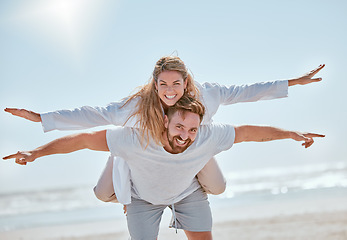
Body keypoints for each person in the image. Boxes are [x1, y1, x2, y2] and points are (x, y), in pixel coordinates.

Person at [4, 56, 325, 204]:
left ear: (187, 82)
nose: (170, 91)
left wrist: (294, 82)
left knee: (217, 188)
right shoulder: (138, 105)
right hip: (141, 153)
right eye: (162, 84)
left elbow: (248, 92)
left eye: (177, 84)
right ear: (154, 84)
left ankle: (180, 190)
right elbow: (94, 115)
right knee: (103, 194)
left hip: (195, 151)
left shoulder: (209, 93)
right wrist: (40, 118)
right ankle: (134, 172)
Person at [3, 96, 325, 240]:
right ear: (164, 122)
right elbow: (84, 139)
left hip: (187, 192)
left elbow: (249, 133)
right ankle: (120, 165)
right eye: (179, 127)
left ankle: (194, 174)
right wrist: (36, 152)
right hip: (142, 197)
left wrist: (291, 134)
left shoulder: (205, 135)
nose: (185, 135)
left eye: (192, 130)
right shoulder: (135, 137)